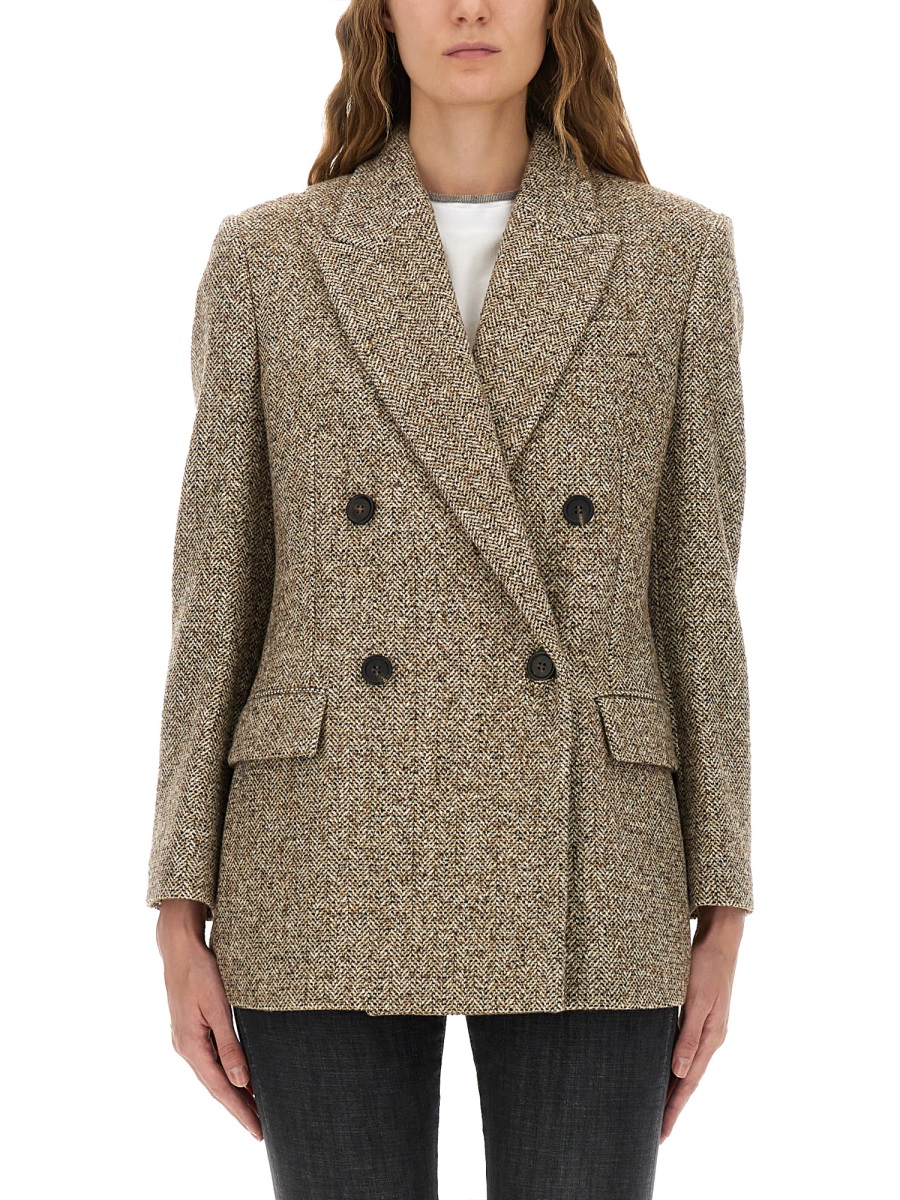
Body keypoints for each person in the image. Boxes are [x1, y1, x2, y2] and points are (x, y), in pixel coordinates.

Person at [146, 2, 753, 1197]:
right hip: (320, 845)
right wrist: (179, 900)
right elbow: (215, 593)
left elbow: (698, 594)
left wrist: (724, 900)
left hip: (597, 851)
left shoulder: (673, 255)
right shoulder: (270, 259)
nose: (469, 7)